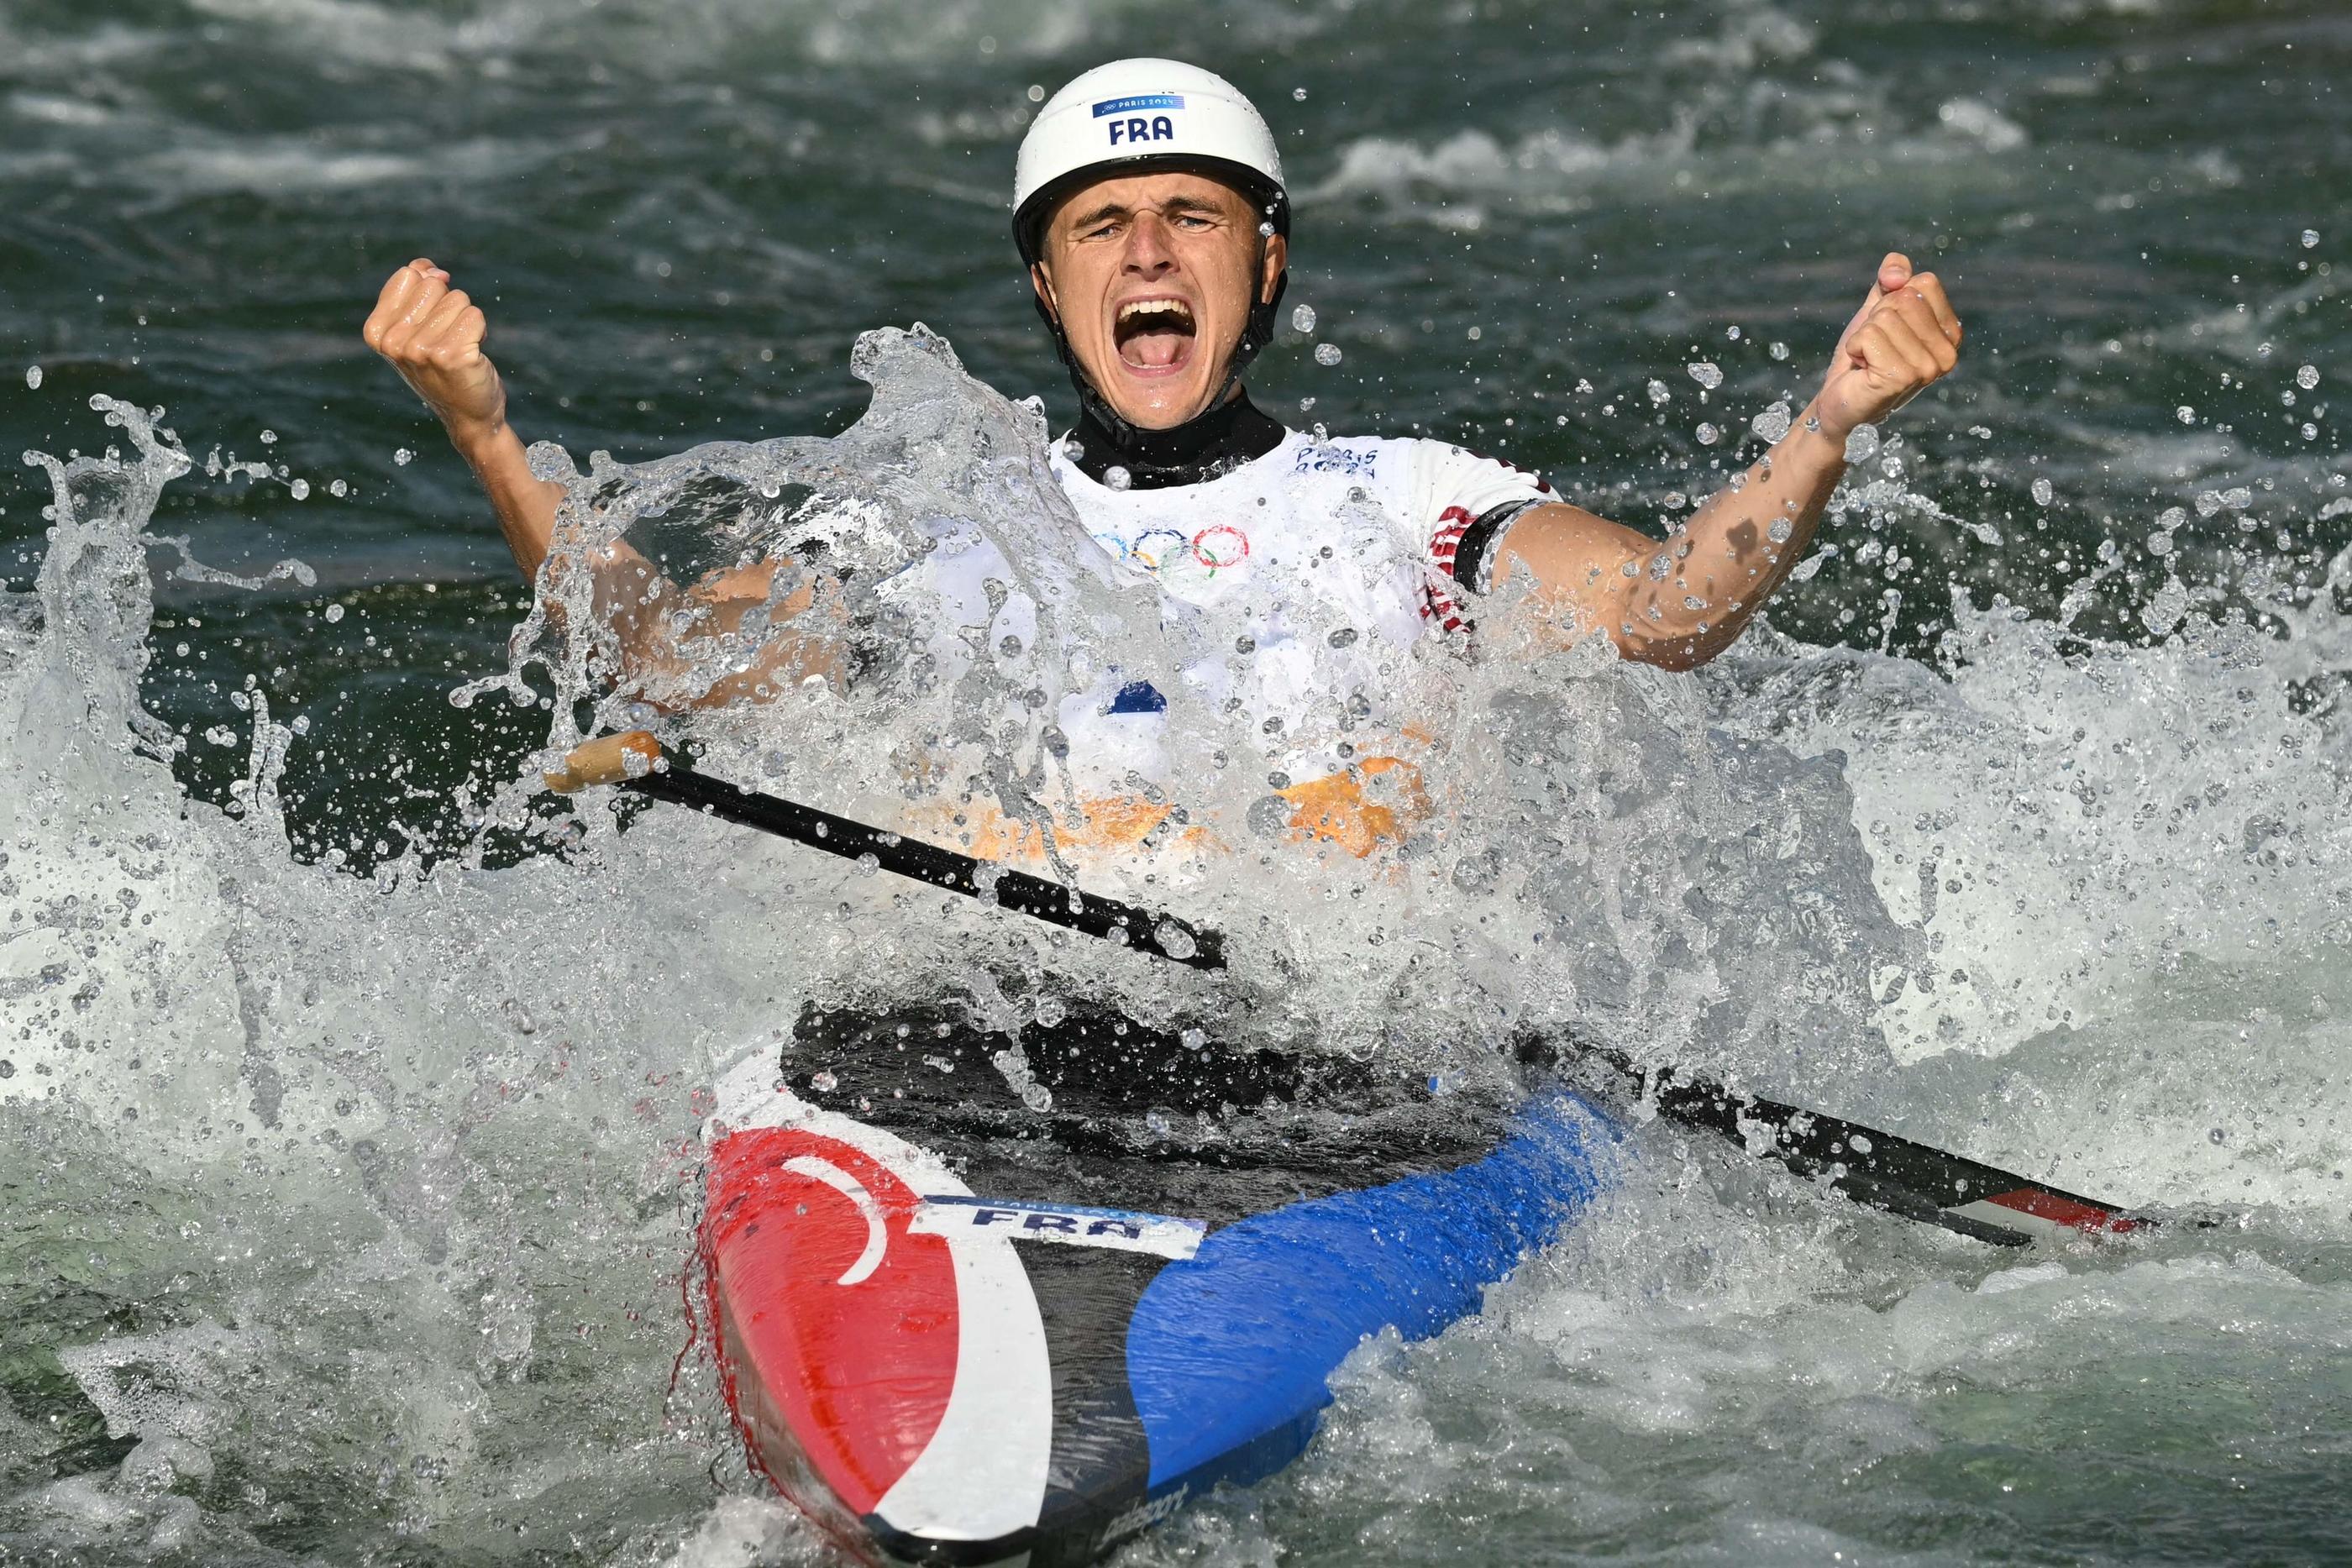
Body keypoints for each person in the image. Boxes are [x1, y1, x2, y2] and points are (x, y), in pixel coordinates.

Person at [363, 57, 1959, 860]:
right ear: (1050, 286)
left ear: (1262, 268)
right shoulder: (926, 514)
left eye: (1192, 219)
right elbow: (665, 662)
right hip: (994, 1039)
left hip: (1336, 1061)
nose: (1149, 253)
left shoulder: (1404, 497)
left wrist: (1820, 431)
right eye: (1102, 228)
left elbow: (1659, 616)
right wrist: (487, 435)